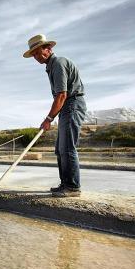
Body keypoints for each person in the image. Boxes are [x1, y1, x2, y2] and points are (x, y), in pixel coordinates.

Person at [23, 34, 87, 197]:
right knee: (60, 149)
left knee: (67, 148)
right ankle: (65, 183)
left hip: (72, 104)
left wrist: (48, 119)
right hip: (67, 106)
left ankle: (72, 187)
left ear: (49, 49)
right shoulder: (51, 66)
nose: (37, 57)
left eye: (39, 52)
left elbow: (62, 95)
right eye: (34, 54)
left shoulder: (58, 63)